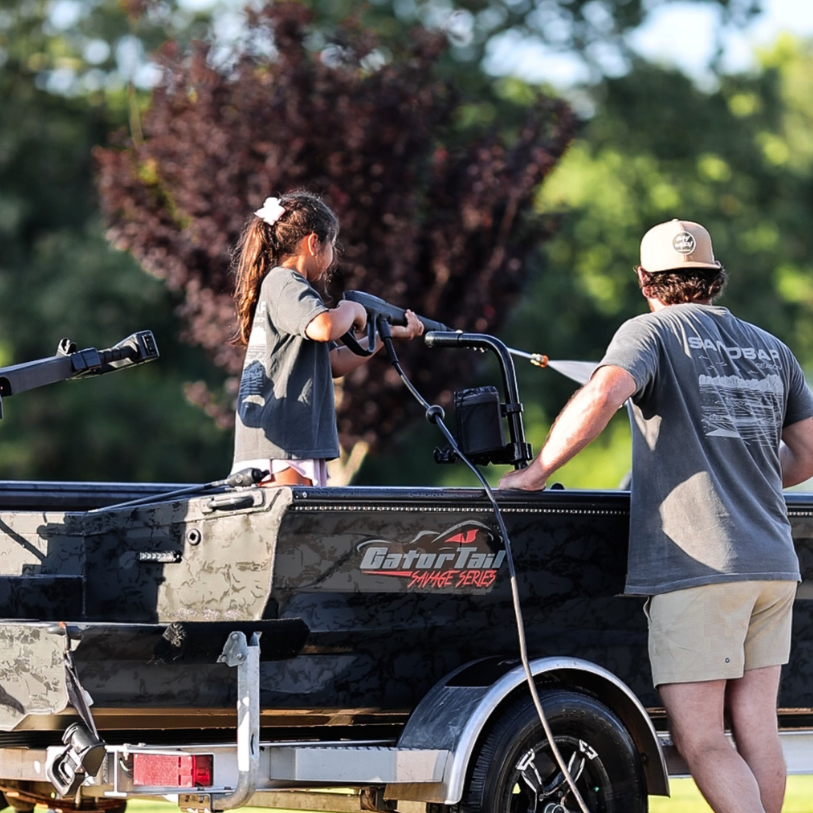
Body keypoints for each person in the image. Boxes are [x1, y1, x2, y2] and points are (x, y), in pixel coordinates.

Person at [499, 219, 813, 813]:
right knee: (757, 731)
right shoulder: (772, 347)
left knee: (701, 741)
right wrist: (744, 475)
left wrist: (535, 473)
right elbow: (806, 455)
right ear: (714, 279)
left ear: (644, 278)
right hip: (774, 563)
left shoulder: (650, 331)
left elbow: (603, 393)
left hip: (699, 568)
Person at [231, 190, 423, 487]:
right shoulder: (285, 282)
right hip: (283, 443)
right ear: (313, 243)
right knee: (292, 532)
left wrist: (386, 335)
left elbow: (333, 362)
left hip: (294, 440)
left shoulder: (292, 290)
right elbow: (324, 327)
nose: (333, 256)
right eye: (332, 244)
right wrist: (351, 309)